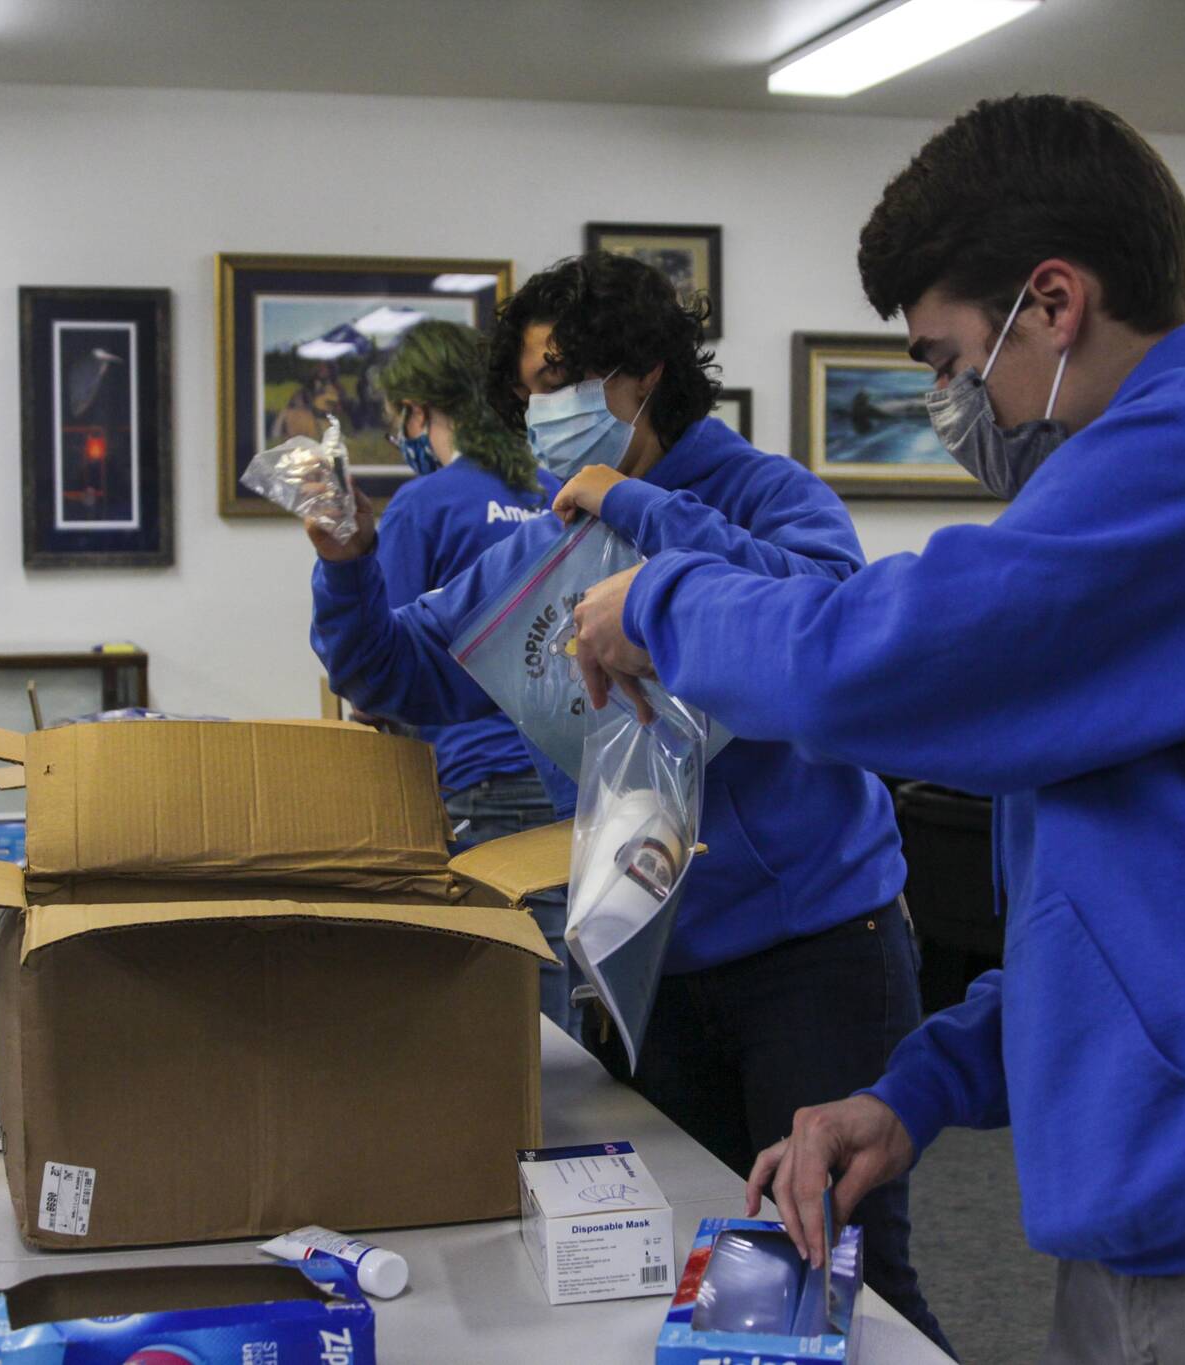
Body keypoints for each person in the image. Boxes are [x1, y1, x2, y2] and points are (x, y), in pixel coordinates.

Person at [569, 95, 1185, 1364]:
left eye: (949, 360)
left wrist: (660, 597)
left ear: (1054, 302)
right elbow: (1125, 916)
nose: (950, 401)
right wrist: (920, 1088)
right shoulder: (1184, 478)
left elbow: (900, 657)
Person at [305, 252, 950, 1350]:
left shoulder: (756, 492)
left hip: (816, 953)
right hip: (652, 959)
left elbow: (825, 614)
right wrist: (349, 564)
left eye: (559, 378)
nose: (540, 409)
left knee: (843, 1263)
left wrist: (635, 507)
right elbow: (402, 672)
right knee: (708, 1265)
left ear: (640, 376)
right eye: (529, 388)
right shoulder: (553, 526)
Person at [352, 320, 574, 1024]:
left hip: (480, 786)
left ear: (419, 410)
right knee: (564, 999)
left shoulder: (423, 505)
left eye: (400, 421)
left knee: (501, 1014)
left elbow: (382, 672)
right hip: (574, 777)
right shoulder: (559, 490)